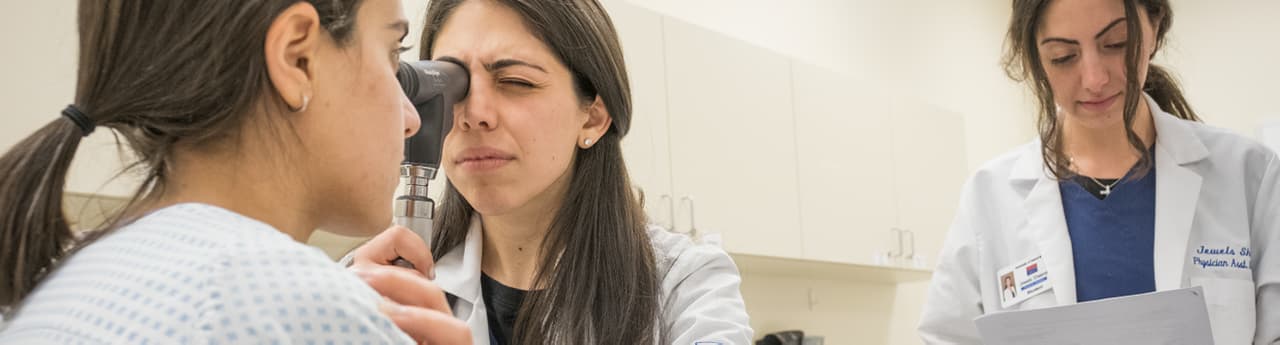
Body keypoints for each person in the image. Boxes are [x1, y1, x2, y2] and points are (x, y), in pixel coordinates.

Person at [0, 0, 469, 343]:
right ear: (296, 58)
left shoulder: (66, 277)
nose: (410, 117)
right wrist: (334, 313)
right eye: (392, 54)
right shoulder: (291, 311)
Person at [343, 0, 754, 343]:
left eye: (517, 82)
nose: (474, 115)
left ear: (593, 117)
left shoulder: (686, 285)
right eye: (457, 86)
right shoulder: (368, 281)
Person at [918, 0, 1278, 344]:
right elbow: (945, 337)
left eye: (1115, 43)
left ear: (1153, 27)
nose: (1094, 78)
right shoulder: (989, 197)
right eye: (1063, 57)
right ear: (1035, 59)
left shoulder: (1250, 176)